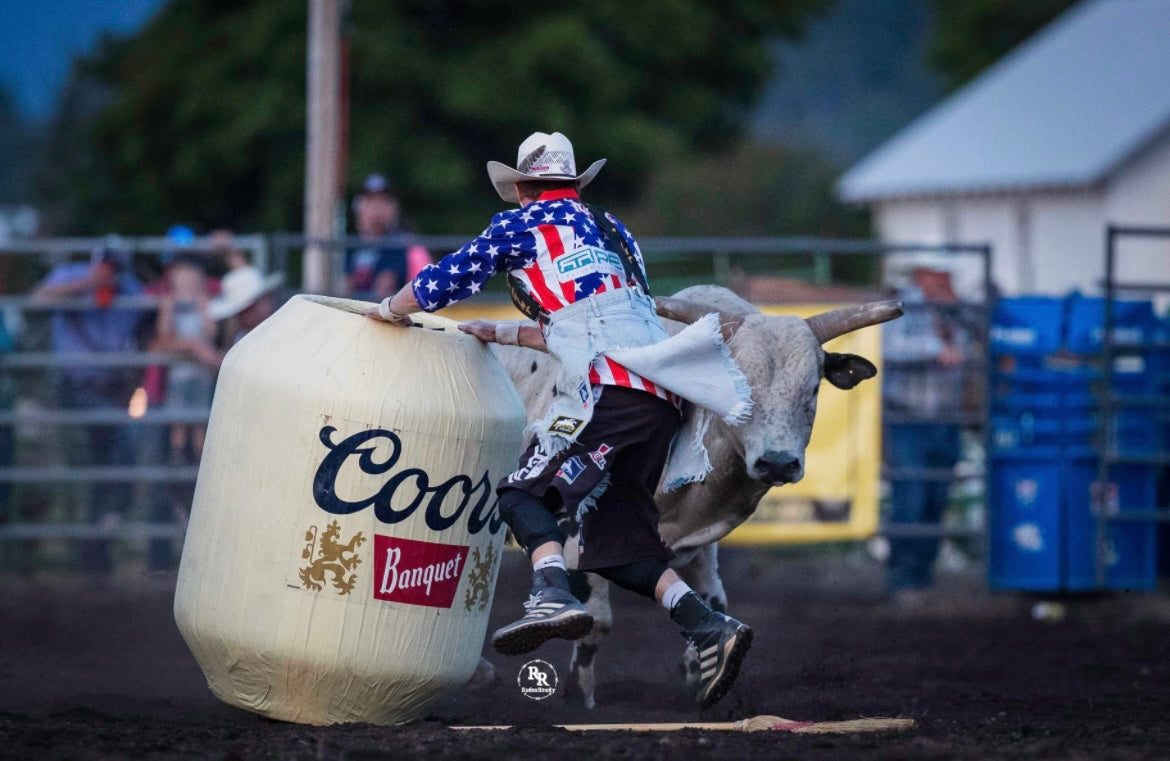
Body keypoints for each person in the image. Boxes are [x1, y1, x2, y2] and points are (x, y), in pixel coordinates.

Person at [363, 131, 754, 708]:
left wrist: (386, 310)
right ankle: (708, 627)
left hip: (605, 393)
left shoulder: (519, 226)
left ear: (521, 187)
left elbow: (449, 279)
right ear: (573, 183)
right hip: (660, 396)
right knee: (620, 549)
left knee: (523, 493)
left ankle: (549, 591)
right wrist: (500, 332)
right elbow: (607, 316)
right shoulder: (612, 230)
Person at [30, 243, 148, 573]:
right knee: (90, 464)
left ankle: (97, 551)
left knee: (106, 465)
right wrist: (88, 284)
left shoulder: (129, 292)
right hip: (71, 389)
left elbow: (146, 328)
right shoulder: (71, 277)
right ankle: (94, 534)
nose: (110, 274)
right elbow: (36, 300)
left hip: (110, 391)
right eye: (106, 266)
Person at [881, 260, 971, 606]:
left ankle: (922, 576)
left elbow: (974, 342)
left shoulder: (955, 309)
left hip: (945, 419)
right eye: (941, 274)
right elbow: (890, 348)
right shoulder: (901, 306)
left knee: (935, 498)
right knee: (912, 497)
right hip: (909, 418)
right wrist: (935, 349)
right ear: (923, 275)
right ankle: (903, 579)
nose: (947, 280)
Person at [346, 174, 410, 302]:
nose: (377, 207)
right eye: (371, 200)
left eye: (382, 200)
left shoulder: (398, 245)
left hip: (380, 313)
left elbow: (384, 288)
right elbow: (342, 288)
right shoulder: (350, 244)